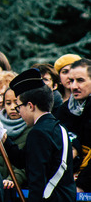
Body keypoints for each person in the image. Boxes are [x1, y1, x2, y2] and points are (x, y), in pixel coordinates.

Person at [0, 68, 76, 202]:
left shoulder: (38, 133)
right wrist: (3, 136)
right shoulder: (59, 127)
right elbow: (23, 161)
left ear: (31, 106)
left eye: (19, 106)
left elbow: (37, 181)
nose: (18, 111)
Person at [0, 87, 31, 193]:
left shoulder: (31, 129)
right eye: (8, 103)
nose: (12, 107)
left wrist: (12, 180)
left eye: (16, 102)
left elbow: (25, 165)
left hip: (19, 189)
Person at [56, 58, 91, 192]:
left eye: (80, 80)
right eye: (71, 81)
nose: (74, 86)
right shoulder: (64, 110)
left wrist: (81, 184)